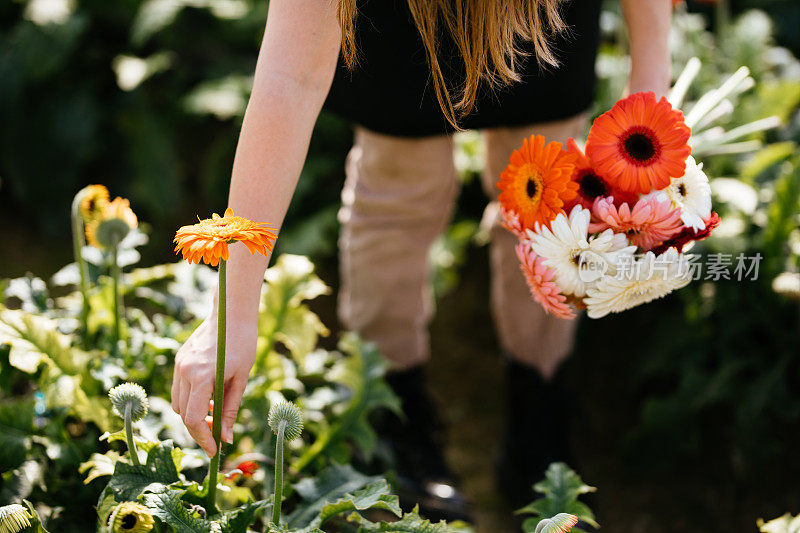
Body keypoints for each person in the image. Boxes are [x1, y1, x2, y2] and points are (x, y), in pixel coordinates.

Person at [170, 0, 672, 521]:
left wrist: (651, 81)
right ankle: (390, 415)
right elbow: (290, 79)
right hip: (397, 19)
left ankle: (538, 414)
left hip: (546, 13)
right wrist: (233, 306)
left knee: (545, 191)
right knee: (399, 189)